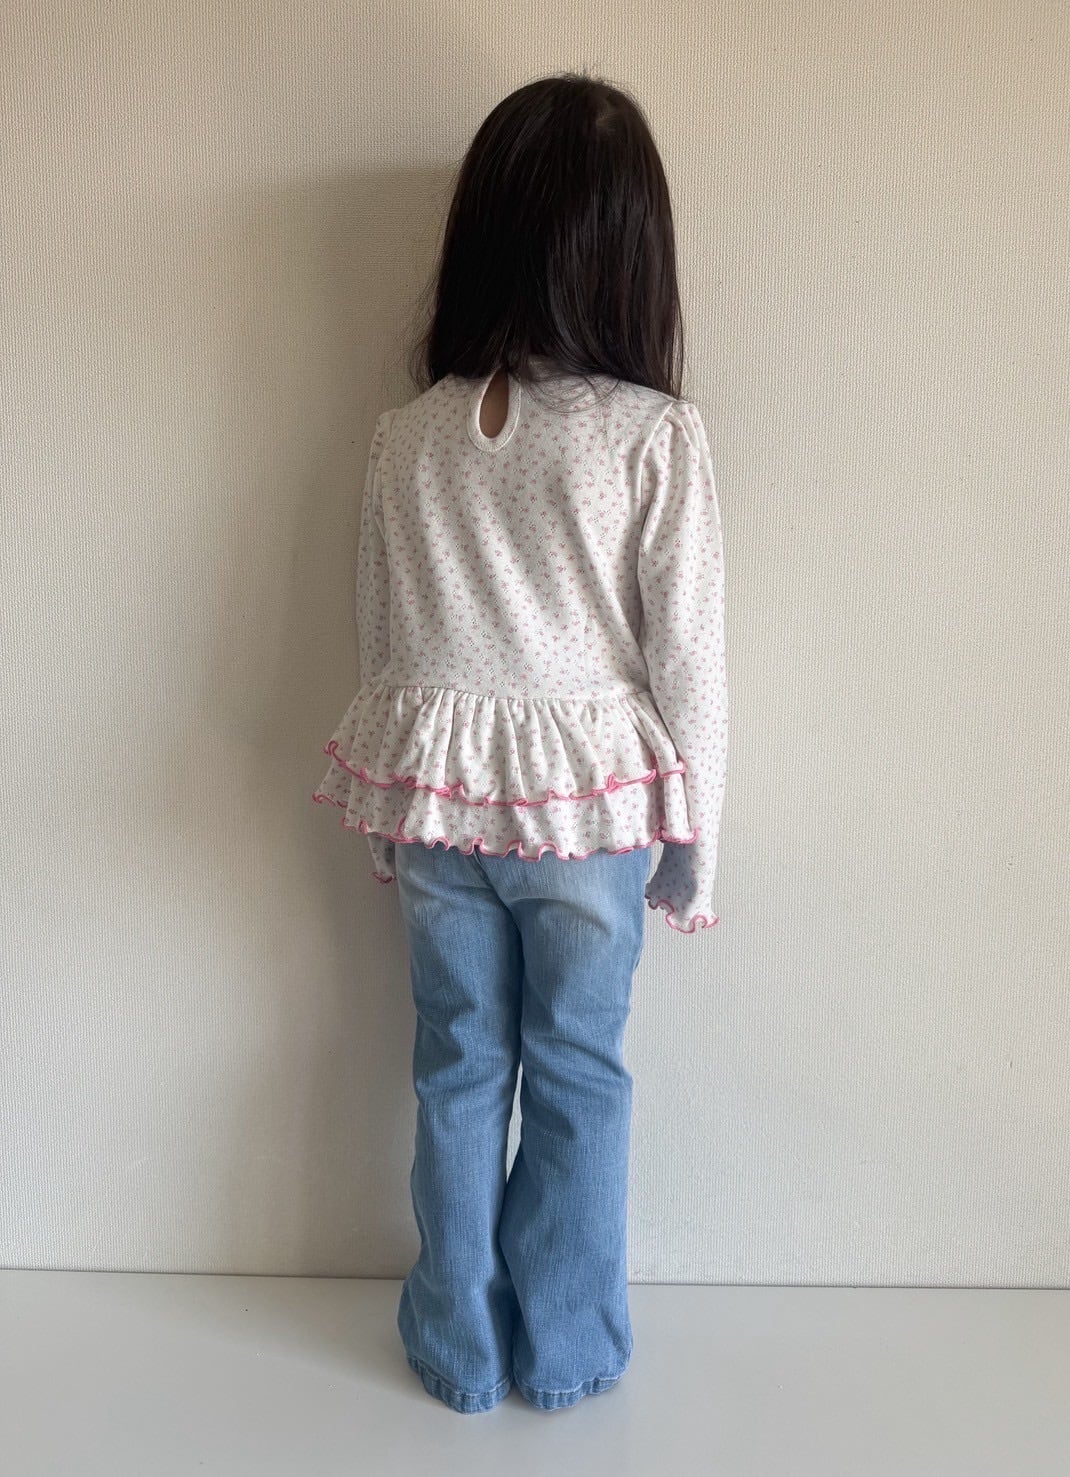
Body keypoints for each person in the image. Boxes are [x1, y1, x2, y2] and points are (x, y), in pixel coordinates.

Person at [311, 71, 729, 1414]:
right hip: (586, 815)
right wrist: (693, 844)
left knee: (456, 1064)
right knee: (578, 1075)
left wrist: (398, 812)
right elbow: (690, 659)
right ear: (629, 253)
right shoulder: (650, 435)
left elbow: (385, 636)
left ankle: (458, 1341)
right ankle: (566, 1343)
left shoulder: (408, 437)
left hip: (442, 803)